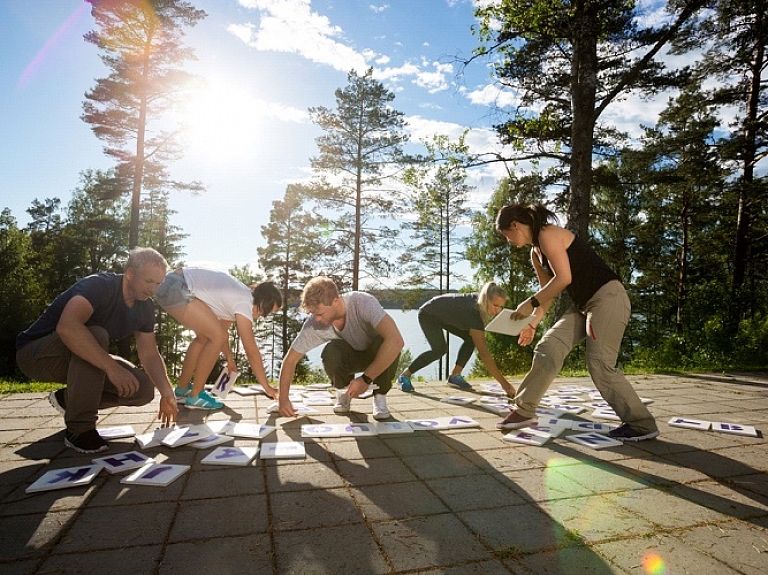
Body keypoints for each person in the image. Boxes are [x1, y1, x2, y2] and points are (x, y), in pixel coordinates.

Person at [494, 203, 659, 441]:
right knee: (548, 348)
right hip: (582, 307)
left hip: (607, 298)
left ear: (515, 225)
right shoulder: (535, 253)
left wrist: (530, 303)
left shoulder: (548, 234)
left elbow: (564, 278)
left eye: (505, 234)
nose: (507, 240)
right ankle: (524, 410)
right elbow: (547, 293)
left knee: (600, 363)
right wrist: (532, 324)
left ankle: (642, 424)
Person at [16, 248, 179, 454]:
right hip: (36, 355)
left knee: (143, 390)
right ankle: (80, 429)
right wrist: (111, 367)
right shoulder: (99, 285)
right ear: (130, 273)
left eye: (158, 283)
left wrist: (167, 393)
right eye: (149, 281)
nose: (153, 289)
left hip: (80, 357)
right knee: (96, 334)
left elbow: (149, 354)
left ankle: (68, 400)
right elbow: (68, 327)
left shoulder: (145, 307)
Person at [277, 276, 404, 421]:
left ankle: (379, 397)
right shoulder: (315, 324)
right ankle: (344, 393)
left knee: (386, 341)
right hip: (353, 357)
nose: (316, 319)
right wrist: (283, 400)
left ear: (335, 301)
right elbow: (290, 360)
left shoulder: (362, 302)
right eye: (313, 314)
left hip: (377, 355)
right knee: (332, 350)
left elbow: (396, 341)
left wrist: (365, 379)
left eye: (319, 313)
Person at [155, 268, 282, 410]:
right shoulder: (244, 303)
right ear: (263, 303)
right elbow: (251, 352)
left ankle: (182, 389)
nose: (266, 315)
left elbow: (220, 332)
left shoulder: (239, 300)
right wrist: (267, 387)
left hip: (170, 284)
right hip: (177, 286)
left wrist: (229, 359)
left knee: (204, 338)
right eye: (269, 310)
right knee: (215, 336)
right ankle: (196, 395)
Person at [396, 282, 517, 397]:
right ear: (485, 300)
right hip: (428, 314)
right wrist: (505, 385)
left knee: (471, 340)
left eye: (501, 307)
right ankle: (404, 376)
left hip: (443, 314)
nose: (498, 311)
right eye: (495, 305)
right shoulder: (474, 312)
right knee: (440, 349)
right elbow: (484, 354)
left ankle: (454, 376)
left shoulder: (480, 305)